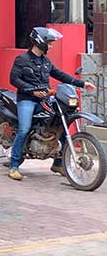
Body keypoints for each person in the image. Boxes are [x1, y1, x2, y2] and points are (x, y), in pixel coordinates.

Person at [8, 27, 96, 181]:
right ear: (40, 42)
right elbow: (14, 79)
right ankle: (14, 165)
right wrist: (31, 91)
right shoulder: (22, 59)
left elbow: (60, 75)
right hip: (27, 100)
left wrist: (82, 84)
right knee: (24, 129)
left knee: (60, 125)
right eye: (49, 43)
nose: (51, 46)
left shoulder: (46, 62)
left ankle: (58, 163)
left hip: (45, 100)